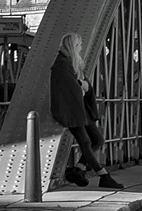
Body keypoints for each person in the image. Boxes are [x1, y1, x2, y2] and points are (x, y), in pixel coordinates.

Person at [50, 34, 123, 189]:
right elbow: (71, 88)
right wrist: (81, 86)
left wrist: (85, 86)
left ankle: (78, 170)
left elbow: (84, 85)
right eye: (80, 45)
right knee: (85, 141)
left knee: (98, 140)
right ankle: (104, 175)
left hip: (80, 109)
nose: (82, 47)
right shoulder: (61, 64)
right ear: (73, 46)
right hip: (70, 110)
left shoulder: (72, 62)